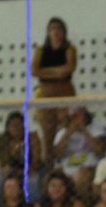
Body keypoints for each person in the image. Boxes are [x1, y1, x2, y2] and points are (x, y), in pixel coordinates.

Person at [31, 17, 78, 162]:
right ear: (48, 32)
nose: (56, 32)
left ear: (64, 32)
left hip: (65, 91)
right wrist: (57, 72)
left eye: (59, 29)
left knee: (65, 124)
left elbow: (69, 69)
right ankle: (48, 160)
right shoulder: (41, 50)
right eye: (53, 29)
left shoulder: (70, 49)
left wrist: (47, 71)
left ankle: (63, 160)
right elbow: (34, 70)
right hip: (45, 93)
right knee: (47, 130)